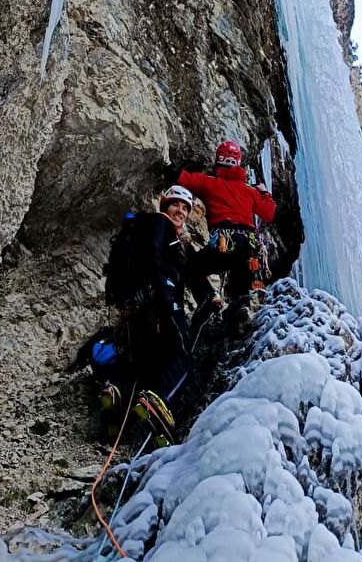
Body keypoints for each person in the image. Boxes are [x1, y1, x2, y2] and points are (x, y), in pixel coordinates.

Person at [93, 185, 212, 444]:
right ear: (164, 205)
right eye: (175, 205)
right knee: (182, 357)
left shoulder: (140, 230)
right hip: (161, 306)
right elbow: (156, 261)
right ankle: (158, 403)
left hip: (135, 312)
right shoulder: (161, 225)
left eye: (185, 208)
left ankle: (116, 396)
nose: (180, 211)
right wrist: (165, 297)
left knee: (142, 366)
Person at [177, 140, 275, 304]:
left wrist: (166, 167)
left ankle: (210, 300)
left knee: (192, 270)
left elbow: (182, 178)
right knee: (242, 294)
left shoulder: (209, 183)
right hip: (249, 248)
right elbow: (269, 213)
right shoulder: (250, 191)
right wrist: (265, 193)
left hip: (224, 242)